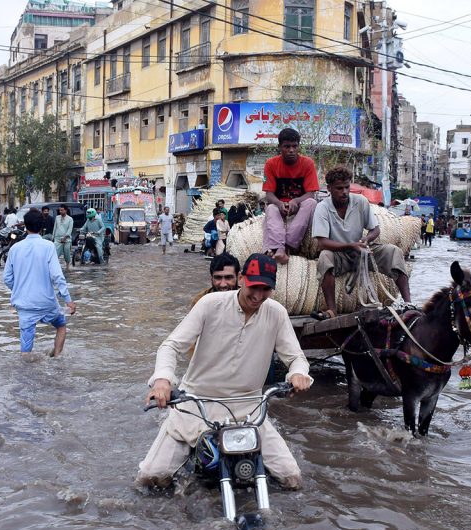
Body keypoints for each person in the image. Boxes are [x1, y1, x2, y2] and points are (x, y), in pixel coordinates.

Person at [138, 253, 313, 489]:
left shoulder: (276, 313)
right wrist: (162, 381)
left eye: (266, 289)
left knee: (292, 479)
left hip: (249, 410)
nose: (258, 296)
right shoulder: (210, 305)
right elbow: (171, 346)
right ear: (242, 279)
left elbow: (296, 357)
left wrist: (298, 374)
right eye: (254, 287)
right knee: (151, 477)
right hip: (196, 406)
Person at [312, 166, 411, 318]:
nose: (344, 192)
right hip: (339, 254)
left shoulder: (360, 202)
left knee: (394, 252)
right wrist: (351, 245)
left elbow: (375, 230)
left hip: (361, 251)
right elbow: (323, 243)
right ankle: (332, 310)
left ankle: (408, 303)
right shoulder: (322, 208)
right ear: (329, 188)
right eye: (339, 188)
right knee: (325, 257)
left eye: (346, 187)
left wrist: (366, 239)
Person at [3, 209, 77, 356]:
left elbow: (7, 278)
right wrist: (68, 301)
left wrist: (20, 290)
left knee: (25, 351)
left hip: (25, 306)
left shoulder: (15, 249)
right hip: (47, 303)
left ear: (25, 226)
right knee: (61, 326)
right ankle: (56, 359)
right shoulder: (48, 246)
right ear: (42, 227)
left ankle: (25, 374)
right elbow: (58, 276)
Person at [262, 128, 320, 265]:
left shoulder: (308, 163)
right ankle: (279, 248)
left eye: (295, 146)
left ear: (299, 146)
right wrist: (279, 204)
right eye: (287, 146)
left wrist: (296, 201)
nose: (291, 150)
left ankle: (289, 244)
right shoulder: (271, 164)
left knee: (311, 202)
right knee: (270, 209)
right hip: (279, 206)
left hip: (300, 206)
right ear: (280, 147)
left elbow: (311, 193)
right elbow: (269, 194)